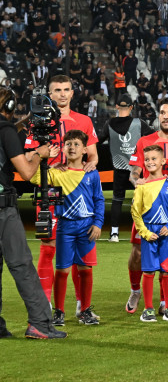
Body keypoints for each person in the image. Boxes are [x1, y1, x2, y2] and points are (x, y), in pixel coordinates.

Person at [26, 75, 98, 312]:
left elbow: (94, 156)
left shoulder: (84, 121)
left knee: (79, 247)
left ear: (72, 93)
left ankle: (81, 304)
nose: (62, 94)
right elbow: (28, 157)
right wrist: (45, 158)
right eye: (57, 90)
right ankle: (44, 304)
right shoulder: (36, 122)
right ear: (49, 93)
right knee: (48, 245)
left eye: (66, 89)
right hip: (49, 191)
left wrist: (90, 166)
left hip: (76, 191)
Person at [0, 88, 65, 339]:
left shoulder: (6, 130)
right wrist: (40, 154)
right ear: (11, 105)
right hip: (3, 210)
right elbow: (26, 173)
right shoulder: (6, 131)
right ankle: (39, 323)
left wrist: (25, 121)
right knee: (21, 265)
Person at [125, 98, 168, 316]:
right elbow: (134, 171)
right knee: (137, 253)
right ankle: (136, 290)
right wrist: (137, 182)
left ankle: (165, 302)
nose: (165, 116)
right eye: (162, 112)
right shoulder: (145, 141)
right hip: (147, 210)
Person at [31, 130, 103, 326]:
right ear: (63, 148)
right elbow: (34, 177)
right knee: (62, 270)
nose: (72, 147)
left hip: (87, 227)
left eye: (77, 144)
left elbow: (99, 200)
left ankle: (85, 310)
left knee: (85, 269)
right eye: (69, 144)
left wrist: (98, 223)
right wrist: (46, 159)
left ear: (85, 150)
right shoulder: (56, 172)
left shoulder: (92, 174)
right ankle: (59, 312)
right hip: (66, 227)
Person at [130, 145, 168, 322]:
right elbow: (135, 213)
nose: (150, 162)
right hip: (149, 234)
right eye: (147, 159)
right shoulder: (142, 186)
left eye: (154, 159)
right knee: (148, 272)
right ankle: (148, 309)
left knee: (167, 271)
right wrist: (145, 232)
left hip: (166, 233)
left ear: (163, 161)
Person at [97, 94, 153, 242]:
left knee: (117, 200)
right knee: (140, 200)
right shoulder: (138, 123)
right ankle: (140, 232)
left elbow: (97, 141)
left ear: (116, 107)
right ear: (131, 107)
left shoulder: (109, 124)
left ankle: (114, 233)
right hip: (136, 168)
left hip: (119, 167)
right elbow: (154, 137)